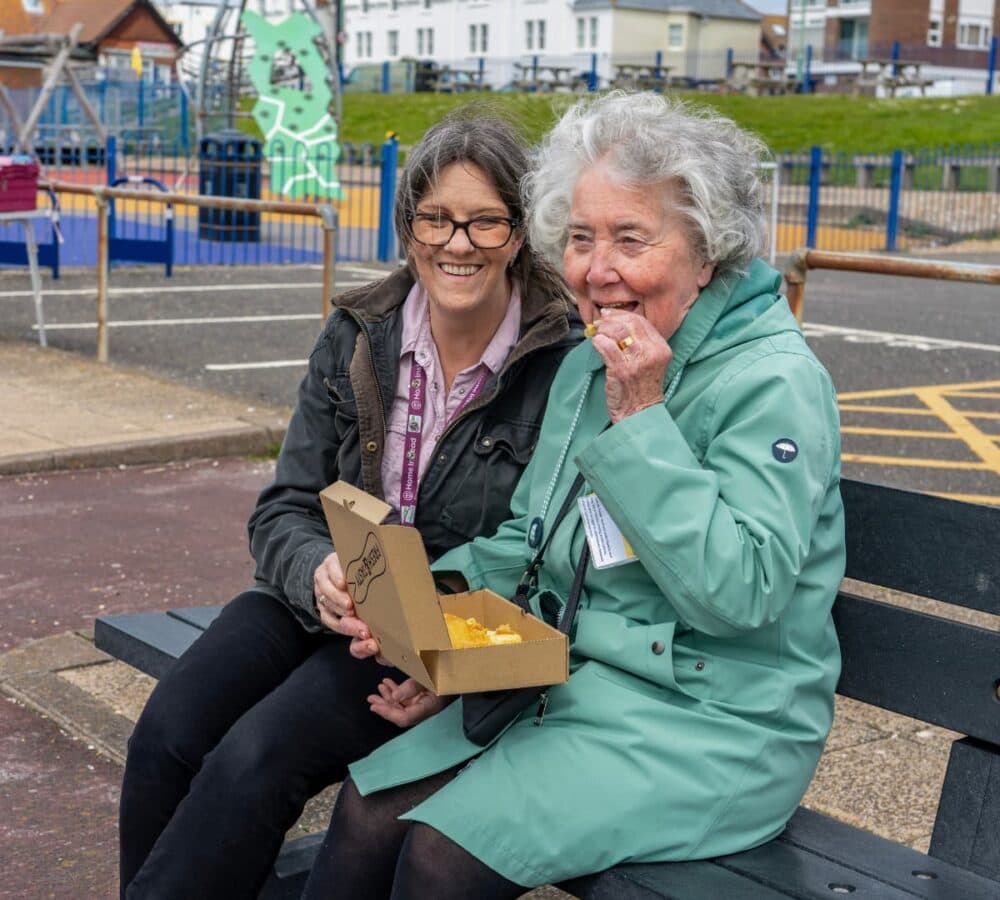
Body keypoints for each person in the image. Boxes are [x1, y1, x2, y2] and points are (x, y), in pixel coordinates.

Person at [301, 91, 846, 899]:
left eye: (632, 238)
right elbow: (531, 538)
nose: (598, 270)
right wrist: (427, 612)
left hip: (713, 722)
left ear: (708, 249)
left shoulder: (774, 380)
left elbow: (742, 594)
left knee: (443, 858)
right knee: (369, 807)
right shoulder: (591, 362)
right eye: (582, 238)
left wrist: (642, 418)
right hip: (574, 682)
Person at [117, 108, 582, 899]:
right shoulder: (357, 331)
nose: (456, 243)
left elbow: (543, 555)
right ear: (406, 227)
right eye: (434, 218)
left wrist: (451, 648)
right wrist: (315, 570)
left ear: (520, 236)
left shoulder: (559, 361)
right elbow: (283, 508)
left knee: (252, 761)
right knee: (166, 734)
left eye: (485, 222)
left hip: (420, 640)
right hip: (316, 600)